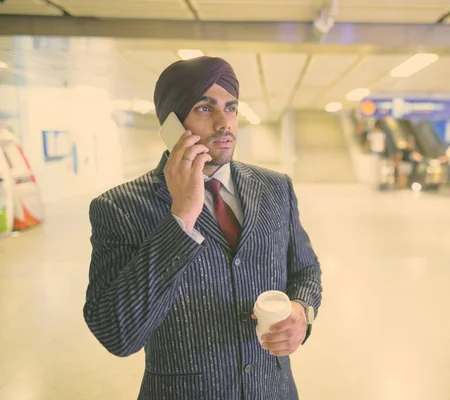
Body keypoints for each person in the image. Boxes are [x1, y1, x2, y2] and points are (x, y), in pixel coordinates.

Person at [83, 56, 323, 400]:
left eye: (231, 107)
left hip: (274, 391)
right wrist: (181, 216)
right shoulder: (121, 208)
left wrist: (302, 309)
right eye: (204, 108)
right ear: (172, 124)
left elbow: (306, 269)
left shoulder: (275, 187)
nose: (225, 123)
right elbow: (117, 334)